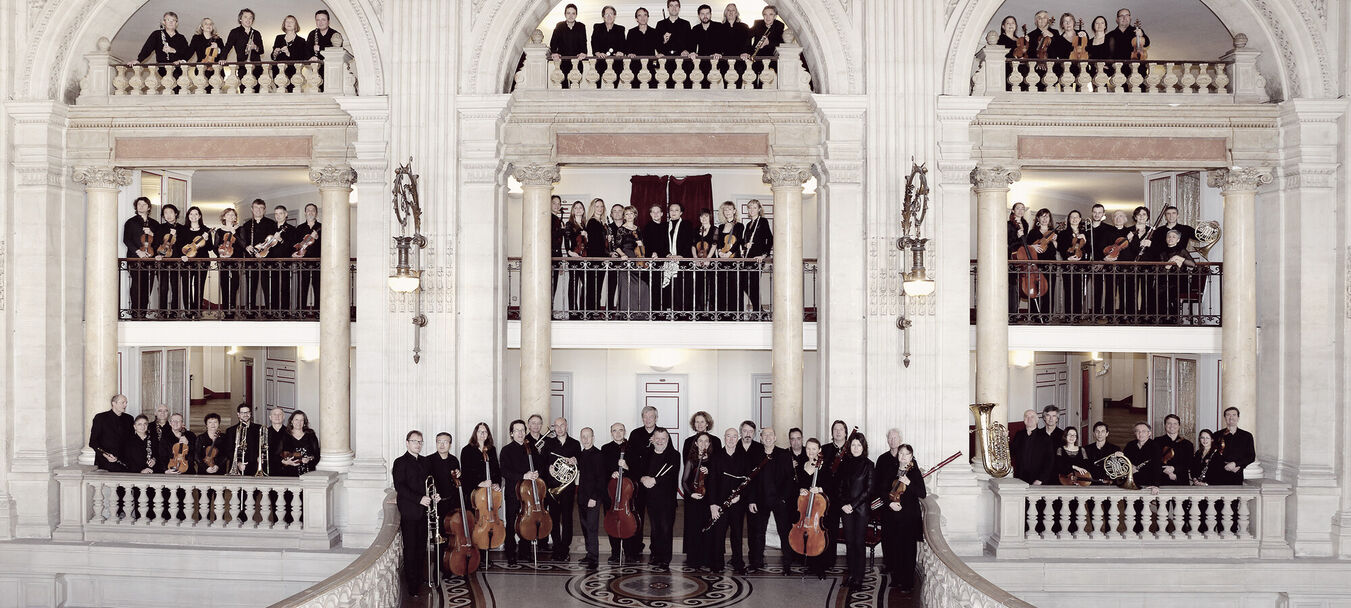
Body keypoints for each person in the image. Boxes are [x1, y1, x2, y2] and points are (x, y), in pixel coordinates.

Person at [881, 443, 924, 593]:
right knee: (895, 548)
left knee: (908, 550)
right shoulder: (891, 470)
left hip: (909, 518)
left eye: (906, 454)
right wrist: (889, 503)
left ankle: (907, 582)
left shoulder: (914, 473)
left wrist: (909, 483)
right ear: (897, 455)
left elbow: (922, 493)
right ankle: (896, 579)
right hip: (893, 516)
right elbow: (883, 491)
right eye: (901, 454)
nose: (903, 457)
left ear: (911, 457)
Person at [750, 427, 795, 572]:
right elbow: (750, 480)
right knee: (759, 533)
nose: (768, 437)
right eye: (765, 435)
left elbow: (789, 480)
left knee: (784, 532)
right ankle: (757, 562)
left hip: (779, 500)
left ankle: (787, 563)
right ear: (761, 439)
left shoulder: (784, 454)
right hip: (760, 500)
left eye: (770, 435)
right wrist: (752, 500)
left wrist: (783, 499)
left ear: (775, 438)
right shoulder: (755, 455)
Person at [392, 431, 431, 599]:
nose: (418, 444)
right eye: (414, 441)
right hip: (409, 511)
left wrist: (432, 495)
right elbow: (400, 487)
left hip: (423, 511)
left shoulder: (425, 461)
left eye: (420, 442)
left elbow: (429, 483)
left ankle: (419, 577)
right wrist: (419, 499)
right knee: (410, 548)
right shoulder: (400, 462)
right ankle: (412, 584)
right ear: (407, 443)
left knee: (421, 547)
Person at [460, 422, 503, 563]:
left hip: (489, 494)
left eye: (485, 432)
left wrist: (497, 483)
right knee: (475, 523)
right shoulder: (467, 450)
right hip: (474, 494)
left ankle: (485, 553)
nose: (482, 434)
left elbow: (496, 470)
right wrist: (480, 483)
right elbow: (465, 474)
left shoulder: (491, 449)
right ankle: (474, 554)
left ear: (488, 434)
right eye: (480, 431)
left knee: (488, 520)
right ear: (475, 433)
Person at [639, 427, 680, 570]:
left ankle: (665, 559)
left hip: (667, 500)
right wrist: (643, 478)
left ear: (668, 440)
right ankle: (655, 555)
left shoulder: (674, 455)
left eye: (663, 439)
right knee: (655, 529)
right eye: (657, 438)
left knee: (665, 528)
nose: (660, 441)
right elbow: (641, 470)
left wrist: (655, 480)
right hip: (651, 499)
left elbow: (671, 477)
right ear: (653, 439)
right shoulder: (647, 453)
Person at [836, 432, 873, 588]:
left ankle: (859, 577)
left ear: (863, 447)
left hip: (861, 510)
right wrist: (844, 504)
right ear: (849, 446)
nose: (856, 448)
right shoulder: (844, 463)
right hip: (846, 509)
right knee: (850, 543)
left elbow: (869, 490)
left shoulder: (869, 464)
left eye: (859, 445)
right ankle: (851, 575)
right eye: (853, 445)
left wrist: (853, 505)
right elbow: (839, 487)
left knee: (859, 543)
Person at [709, 427, 749, 573]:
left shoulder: (743, 456)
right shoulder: (716, 456)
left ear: (737, 438)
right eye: (728, 436)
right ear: (724, 438)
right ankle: (717, 563)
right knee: (718, 534)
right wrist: (712, 504)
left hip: (737, 503)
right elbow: (711, 482)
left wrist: (741, 496)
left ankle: (738, 562)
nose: (731, 440)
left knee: (737, 534)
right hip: (720, 503)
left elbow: (747, 480)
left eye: (734, 437)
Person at [499, 419, 537, 565]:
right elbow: (505, 471)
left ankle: (525, 551)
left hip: (528, 493)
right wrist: (523, 476)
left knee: (527, 521)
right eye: (517, 430)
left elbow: (538, 465)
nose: (520, 433)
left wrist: (536, 473)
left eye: (522, 430)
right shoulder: (506, 450)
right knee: (511, 522)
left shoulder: (531, 448)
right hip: (513, 493)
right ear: (511, 434)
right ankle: (510, 552)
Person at [542, 417, 581, 560]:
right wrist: (549, 468)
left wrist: (576, 460)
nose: (559, 428)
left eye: (562, 425)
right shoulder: (549, 443)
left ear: (566, 426)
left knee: (567, 518)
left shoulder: (575, 444)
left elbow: (580, 462)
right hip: (553, 487)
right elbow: (542, 463)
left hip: (568, 488)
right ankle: (557, 546)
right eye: (556, 426)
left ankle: (565, 547)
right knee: (554, 517)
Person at [626, 406, 660, 557]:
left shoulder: (662, 434)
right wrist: (641, 477)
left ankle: (656, 548)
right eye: (645, 417)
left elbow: (666, 458)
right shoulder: (635, 434)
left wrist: (653, 479)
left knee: (655, 518)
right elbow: (631, 459)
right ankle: (636, 546)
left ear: (656, 418)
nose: (648, 420)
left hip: (654, 483)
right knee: (637, 515)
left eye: (651, 417)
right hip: (639, 482)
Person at [796, 437, 832, 579]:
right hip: (806, 508)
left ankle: (821, 567)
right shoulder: (801, 466)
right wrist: (800, 490)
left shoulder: (825, 466)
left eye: (814, 449)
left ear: (819, 450)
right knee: (807, 534)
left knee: (818, 536)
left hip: (820, 508)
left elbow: (832, 487)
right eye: (808, 448)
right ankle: (810, 565)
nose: (811, 451)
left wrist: (821, 489)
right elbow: (797, 485)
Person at [681, 431, 715, 570]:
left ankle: (707, 557)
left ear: (709, 443)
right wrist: (691, 495)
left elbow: (718, 480)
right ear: (696, 443)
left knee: (707, 527)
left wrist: (710, 472)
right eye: (700, 441)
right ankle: (694, 558)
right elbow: (684, 482)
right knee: (694, 528)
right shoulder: (691, 460)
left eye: (706, 441)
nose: (703, 444)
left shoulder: (714, 459)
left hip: (709, 499)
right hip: (694, 499)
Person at [237, 199, 278, 314]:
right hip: (251, 260)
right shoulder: (246, 225)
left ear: (264, 210)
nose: (258, 210)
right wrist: (247, 247)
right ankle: (250, 312)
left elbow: (273, 242)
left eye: (261, 208)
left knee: (268, 287)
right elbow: (242, 243)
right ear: (252, 209)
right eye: (256, 208)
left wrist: (264, 251)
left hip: (267, 260)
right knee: (251, 286)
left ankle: (270, 312)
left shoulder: (271, 224)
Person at [600, 422, 632, 563]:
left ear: (625, 432)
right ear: (611, 433)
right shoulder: (605, 448)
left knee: (628, 521)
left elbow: (638, 469)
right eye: (614, 431)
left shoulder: (631, 447)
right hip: (611, 492)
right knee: (612, 521)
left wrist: (626, 466)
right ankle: (615, 552)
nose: (618, 433)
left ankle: (630, 551)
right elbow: (601, 471)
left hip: (626, 492)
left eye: (620, 430)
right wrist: (611, 474)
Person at [123, 197, 159, 318]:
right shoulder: (130, 222)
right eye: (139, 204)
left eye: (144, 204)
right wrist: (139, 252)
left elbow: (158, 241)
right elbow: (126, 239)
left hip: (150, 258)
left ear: (149, 207)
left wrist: (152, 235)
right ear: (136, 207)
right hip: (135, 258)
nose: (141, 206)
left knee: (147, 285)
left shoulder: (154, 223)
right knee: (136, 285)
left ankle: (143, 312)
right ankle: (135, 312)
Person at [576, 427, 605, 570]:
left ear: (593, 438)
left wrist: (594, 497)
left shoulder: (598, 455)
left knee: (592, 528)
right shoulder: (581, 454)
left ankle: (594, 558)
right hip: (582, 497)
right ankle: (589, 554)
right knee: (585, 527)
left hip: (593, 497)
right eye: (583, 436)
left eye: (588, 436)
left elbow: (601, 479)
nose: (586, 439)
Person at [613, 205, 650, 315]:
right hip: (626, 260)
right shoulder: (621, 229)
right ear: (624, 216)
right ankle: (626, 314)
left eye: (631, 213)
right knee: (627, 288)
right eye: (627, 214)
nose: (629, 216)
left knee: (643, 286)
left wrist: (641, 244)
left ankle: (640, 314)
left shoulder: (638, 229)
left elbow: (642, 246)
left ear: (635, 215)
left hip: (638, 260)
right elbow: (617, 246)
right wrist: (623, 255)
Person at [1022, 208, 1057, 321]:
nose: (1045, 219)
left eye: (1047, 216)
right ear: (1038, 218)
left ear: (1050, 219)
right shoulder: (1033, 233)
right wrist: (1033, 247)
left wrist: (1054, 241)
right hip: (1036, 266)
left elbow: (1059, 249)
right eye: (1042, 216)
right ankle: (1034, 316)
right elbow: (1025, 248)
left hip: (1050, 266)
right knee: (1035, 290)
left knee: (1049, 291)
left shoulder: (1055, 233)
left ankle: (1047, 317)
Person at [177, 206, 213, 317]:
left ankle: (197, 311)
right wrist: (182, 256)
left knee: (199, 286)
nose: (193, 216)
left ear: (200, 216)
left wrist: (206, 239)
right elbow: (178, 246)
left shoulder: (205, 230)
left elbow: (210, 247)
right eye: (191, 214)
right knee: (186, 286)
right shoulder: (182, 230)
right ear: (188, 216)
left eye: (196, 214)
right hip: (186, 262)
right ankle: (188, 311)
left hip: (202, 262)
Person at [712, 201, 745, 318]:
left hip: (734, 260)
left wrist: (729, 253)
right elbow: (719, 242)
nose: (727, 212)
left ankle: (736, 314)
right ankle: (722, 313)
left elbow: (739, 241)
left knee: (735, 287)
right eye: (725, 210)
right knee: (722, 286)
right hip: (722, 260)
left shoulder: (739, 226)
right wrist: (720, 252)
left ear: (734, 211)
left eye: (730, 209)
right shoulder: (720, 227)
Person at [740, 199, 771, 316]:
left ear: (759, 209)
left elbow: (770, 238)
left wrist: (764, 255)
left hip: (757, 258)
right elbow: (744, 241)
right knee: (744, 284)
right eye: (749, 207)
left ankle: (758, 310)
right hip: (748, 258)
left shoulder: (762, 221)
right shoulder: (748, 224)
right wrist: (745, 244)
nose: (751, 210)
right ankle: (760, 310)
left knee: (754, 284)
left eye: (754, 207)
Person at [664, 202, 695, 314]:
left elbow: (689, 242)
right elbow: (662, 243)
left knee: (681, 287)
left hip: (682, 261)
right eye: (671, 210)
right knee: (670, 286)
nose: (673, 212)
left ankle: (682, 312)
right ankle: (670, 311)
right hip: (668, 260)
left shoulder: (687, 224)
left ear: (681, 212)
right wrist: (667, 254)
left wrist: (680, 255)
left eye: (676, 210)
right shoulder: (665, 225)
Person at [1056, 209, 1087, 321]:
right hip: (1068, 264)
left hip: (1080, 266)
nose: (1074, 219)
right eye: (1072, 217)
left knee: (1078, 290)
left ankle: (1078, 316)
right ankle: (1069, 316)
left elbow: (1089, 250)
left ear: (1080, 219)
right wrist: (1067, 257)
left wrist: (1086, 240)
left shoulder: (1085, 233)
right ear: (1069, 220)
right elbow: (1061, 247)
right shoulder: (1064, 233)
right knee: (1068, 290)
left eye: (1076, 217)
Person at [427, 432, 461, 534]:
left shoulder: (454, 460)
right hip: (436, 503)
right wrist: (432, 495)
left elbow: (457, 482)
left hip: (452, 502)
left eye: (445, 442)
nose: (441, 445)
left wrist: (459, 475)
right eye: (439, 442)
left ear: (450, 444)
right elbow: (426, 483)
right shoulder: (428, 460)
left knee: (453, 532)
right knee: (439, 534)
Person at [271, 15, 315, 91]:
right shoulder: (279, 38)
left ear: (295, 25)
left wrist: (288, 53)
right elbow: (273, 57)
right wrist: (275, 54)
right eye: (287, 21)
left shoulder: (301, 41)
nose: (289, 23)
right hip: (278, 71)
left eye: (291, 21)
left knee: (292, 92)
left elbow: (302, 57)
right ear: (284, 24)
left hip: (293, 72)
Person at [90, 394, 133, 472]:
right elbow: (93, 442)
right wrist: (105, 455)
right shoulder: (100, 418)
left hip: (124, 463)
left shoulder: (129, 418)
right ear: (114, 403)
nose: (125, 405)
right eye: (123, 402)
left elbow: (131, 440)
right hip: (105, 462)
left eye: (126, 402)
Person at [224, 9, 265, 90]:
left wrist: (255, 47)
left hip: (256, 67)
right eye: (245, 17)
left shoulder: (256, 33)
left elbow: (262, 50)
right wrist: (222, 58)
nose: (248, 20)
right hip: (243, 67)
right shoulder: (234, 32)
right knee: (243, 91)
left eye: (250, 18)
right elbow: (228, 46)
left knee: (256, 91)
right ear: (240, 19)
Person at [1213, 407, 1255, 485]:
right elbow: (1213, 455)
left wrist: (1237, 464)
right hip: (1219, 473)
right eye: (1228, 415)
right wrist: (1225, 465)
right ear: (1225, 417)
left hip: (1237, 473)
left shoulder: (1247, 436)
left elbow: (1251, 456)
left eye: (1234, 415)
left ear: (1238, 418)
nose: (1231, 417)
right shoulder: (1217, 435)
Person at [655, 0, 692, 88]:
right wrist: (664, 41)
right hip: (666, 62)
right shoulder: (660, 24)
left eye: (676, 5)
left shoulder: (686, 24)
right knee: (667, 89)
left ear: (679, 8)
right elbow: (656, 43)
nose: (674, 8)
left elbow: (690, 42)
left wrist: (686, 50)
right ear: (668, 8)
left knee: (684, 88)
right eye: (671, 5)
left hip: (683, 61)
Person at [550, 3, 588, 87]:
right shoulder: (559, 26)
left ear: (576, 15)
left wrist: (584, 52)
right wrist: (554, 52)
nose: (571, 16)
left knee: (575, 86)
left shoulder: (581, 26)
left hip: (577, 61)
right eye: (568, 13)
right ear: (565, 14)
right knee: (563, 86)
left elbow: (583, 42)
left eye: (573, 13)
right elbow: (553, 42)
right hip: (563, 62)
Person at [153, 204, 182, 313]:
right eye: (166, 213)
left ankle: (175, 313)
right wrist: (158, 254)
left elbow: (182, 245)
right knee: (163, 287)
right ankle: (163, 313)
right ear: (163, 215)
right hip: (162, 261)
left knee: (175, 288)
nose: (168, 215)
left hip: (176, 261)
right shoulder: (160, 228)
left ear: (175, 213)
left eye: (171, 212)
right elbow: (156, 243)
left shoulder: (181, 228)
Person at [264, 206, 294, 311]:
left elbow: (291, 248)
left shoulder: (291, 229)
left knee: (284, 288)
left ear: (286, 214)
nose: (278, 216)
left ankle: (284, 312)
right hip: (270, 263)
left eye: (280, 213)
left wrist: (281, 239)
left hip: (284, 263)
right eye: (276, 214)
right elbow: (266, 245)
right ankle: (273, 312)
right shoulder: (270, 228)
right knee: (272, 288)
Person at [214, 208, 243, 317]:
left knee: (235, 284)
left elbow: (243, 245)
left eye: (233, 215)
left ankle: (233, 308)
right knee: (224, 284)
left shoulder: (240, 229)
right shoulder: (219, 231)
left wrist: (235, 233)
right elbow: (215, 246)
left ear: (235, 218)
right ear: (224, 217)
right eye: (228, 214)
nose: (231, 216)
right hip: (223, 261)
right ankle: (226, 310)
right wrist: (219, 253)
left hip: (236, 260)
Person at [294, 203, 322, 311]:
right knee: (302, 287)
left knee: (318, 287)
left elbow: (327, 245)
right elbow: (295, 245)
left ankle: (318, 312)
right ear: (305, 213)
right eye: (308, 210)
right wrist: (295, 254)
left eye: (313, 210)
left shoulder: (322, 227)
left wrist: (318, 237)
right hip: (303, 262)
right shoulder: (300, 228)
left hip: (317, 262)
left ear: (316, 213)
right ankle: (301, 312)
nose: (310, 212)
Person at [583, 199, 610, 313]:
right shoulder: (592, 222)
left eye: (601, 206)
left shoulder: (601, 223)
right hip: (595, 258)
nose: (599, 208)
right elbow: (595, 244)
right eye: (597, 206)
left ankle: (594, 311)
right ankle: (591, 312)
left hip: (600, 258)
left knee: (597, 287)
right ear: (592, 208)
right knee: (593, 287)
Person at [563, 201, 588, 315]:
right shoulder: (569, 224)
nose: (578, 210)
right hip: (574, 257)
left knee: (586, 284)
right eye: (576, 208)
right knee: (573, 284)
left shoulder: (585, 224)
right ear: (573, 211)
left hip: (584, 258)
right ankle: (573, 311)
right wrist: (569, 252)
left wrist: (587, 236)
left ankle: (583, 310)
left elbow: (587, 243)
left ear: (583, 210)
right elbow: (567, 240)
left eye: (580, 208)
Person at [692, 209, 718, 317]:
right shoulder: (696, 230)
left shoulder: (715, 229)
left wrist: (708, 259)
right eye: (702, 216)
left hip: (710, 261)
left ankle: (711, 311)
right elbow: (693, 246)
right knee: (699, 287)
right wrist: (695, 259)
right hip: (699, 261)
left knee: (711, 287)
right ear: (699, 218)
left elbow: (714, 244)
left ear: (710, 217)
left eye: (706, 216)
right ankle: (699, 311)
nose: (704, 218)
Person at [224, 403, 263, 476]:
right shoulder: (231, 430)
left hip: (255, 465)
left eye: (247, 412)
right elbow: (229, 450)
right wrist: (238, 463)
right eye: (242, 413)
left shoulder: (259, 428)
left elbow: (262, 446)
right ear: (238, 414)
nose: (245, 415)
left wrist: (260, 457)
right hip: (239, 466)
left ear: (250, 413)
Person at [1156, 414, 1194, 485]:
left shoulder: (1187, 444)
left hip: (1181, 481)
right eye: (1169, 423)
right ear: (1165, 425)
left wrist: (1174, 468)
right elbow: (1153, 461)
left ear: (1179, 426)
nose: (1172, 426)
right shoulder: (1157, 442)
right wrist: (1164, 470)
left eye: (1175, 424)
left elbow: (1189, 463)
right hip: (1161, 481)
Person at [625, 8, 659, 87]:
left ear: (648, 17)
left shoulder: (654, 32)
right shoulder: (631, 32)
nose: (643, 18)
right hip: (635, 67)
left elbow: (659, 46)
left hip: (650, 67)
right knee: (636, 94)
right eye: (639, 15)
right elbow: (627, 48)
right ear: (636, 18)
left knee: (653, 91)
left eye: (645, 15)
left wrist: (660, 53)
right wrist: (629, 53)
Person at [278, 410, 319, 476]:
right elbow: (277, 455)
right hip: (290, 473)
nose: (299, 422)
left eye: (301, 420)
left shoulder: (311, 434)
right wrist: (285, 462)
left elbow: (317, 454)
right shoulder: (284, 435)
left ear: (304, 422)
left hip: (308, 473)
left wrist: (309, 459)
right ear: (291, 421)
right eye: (296, 419)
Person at [1123, 422, 1163, 488]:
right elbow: (1124, 461)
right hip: (1132, 482)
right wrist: (1130, 467)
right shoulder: (1130, 445)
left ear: (1149, 433)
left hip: (1149, 483)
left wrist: (1155, 485)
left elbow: (1157, 467)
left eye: (1143, 431)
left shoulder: (1155, 446)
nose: (1140, 434)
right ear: (1135, 433)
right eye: (1138, 431)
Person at [1006, 201, 1029, 313]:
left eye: (1022, 209)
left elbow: (1025, 242)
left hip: (1022, 258)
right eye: (1018, 208)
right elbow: (1009, 243)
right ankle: (1012, 312)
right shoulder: (1009, 225)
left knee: (1020, 285)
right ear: (1013, 211)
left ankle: (1017, 311)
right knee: (1012, 285)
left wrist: (1023, 238)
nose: (1020, 210)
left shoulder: (1025, 224)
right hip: (1012, 257)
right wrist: (1019, 237)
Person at [265, 406, 287, 476]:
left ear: (283, 417)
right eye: (274, 414)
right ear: (270, 417)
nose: (277, 416)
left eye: (280, 414)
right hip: (269, 467)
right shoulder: (264, 432)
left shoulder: (289, 432)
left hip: (285, 468)